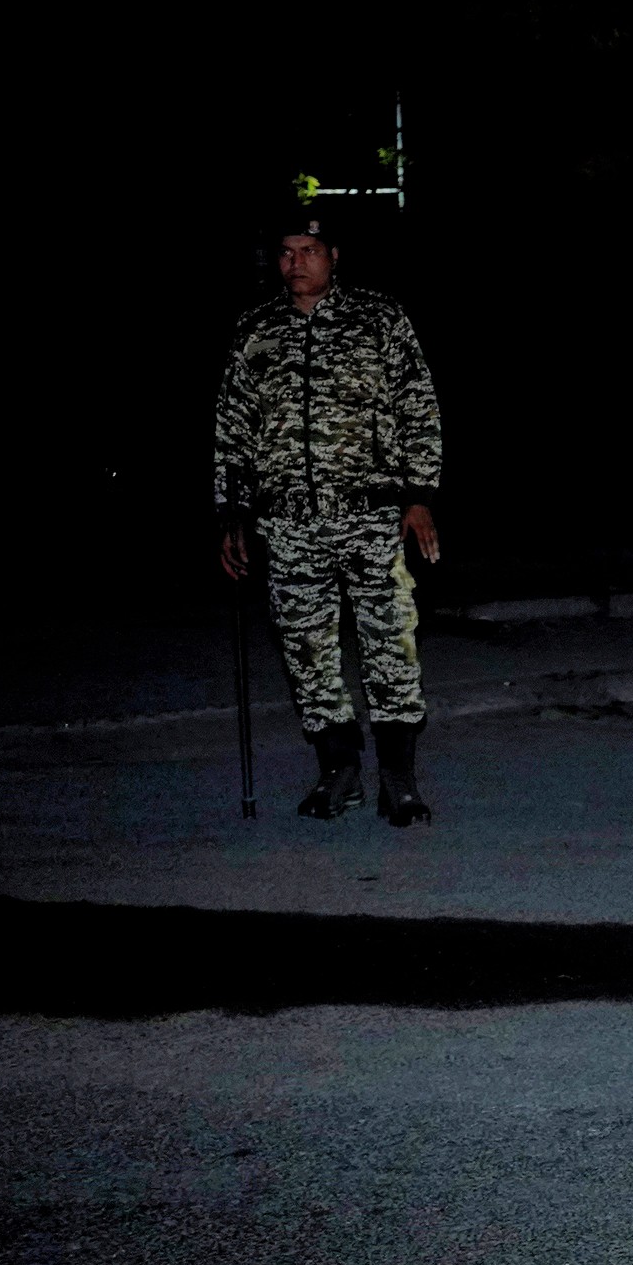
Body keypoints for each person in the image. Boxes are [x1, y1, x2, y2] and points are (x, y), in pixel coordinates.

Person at [215, 220, 442, 826]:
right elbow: (233, 428)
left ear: (334, 256)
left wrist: (419, 495)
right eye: (286, 253)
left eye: (309, 251)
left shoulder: (379, 318)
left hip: (371, 514)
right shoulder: (256, 328)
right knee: (307, 650)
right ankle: (338, 768)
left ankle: (398, 778)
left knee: (390, 644)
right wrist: (232, 514)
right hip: (289, 524)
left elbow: (417, 406)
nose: (296, 263)